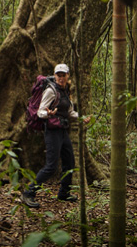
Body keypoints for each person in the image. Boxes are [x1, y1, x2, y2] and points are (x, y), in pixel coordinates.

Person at [21, 63, 90, 208]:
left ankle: (64, 193)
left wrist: (81, 117)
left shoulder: (65, 91)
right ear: (55, 75)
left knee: (69, 162)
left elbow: (69, 112)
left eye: (63, 75)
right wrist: (49, 113)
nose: (61, 78)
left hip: (63, 131)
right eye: (58, 75)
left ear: (68, 76)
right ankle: (28, 193)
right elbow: (40, 112)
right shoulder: (51, 91)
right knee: (51, 166)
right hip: (52, 132)